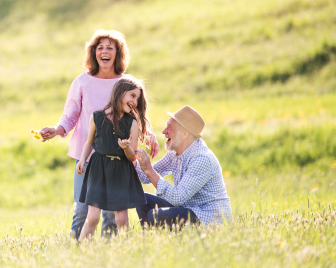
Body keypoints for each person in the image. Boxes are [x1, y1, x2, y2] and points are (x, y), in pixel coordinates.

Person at [39, 29, 159, 239]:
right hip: (87, 157)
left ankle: (107, 254)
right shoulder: (82, 82)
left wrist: (149, 133)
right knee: (83, 210)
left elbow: (138, 113)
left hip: (117, 158)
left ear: (118, 53)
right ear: (94, 53)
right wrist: (57, 130)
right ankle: (77, 252)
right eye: (99, 47)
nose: (104, 51)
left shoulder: (126, 84)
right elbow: (70, 114)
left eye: (109, 48)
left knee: (112, 214)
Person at [134, 106, 232, 228]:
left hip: (209, 218)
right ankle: (150, 241)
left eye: (170, 127)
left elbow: (177, 198)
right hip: (188, 209)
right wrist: (132, 156)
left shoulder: (202, 158)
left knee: (156, 215)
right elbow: (145, 177)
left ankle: (161, 242)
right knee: (140, 199)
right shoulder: (174, 153)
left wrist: (148, 169)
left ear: (185, 133)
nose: (164, 131)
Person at [76, 76, 149, 240]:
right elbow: (89, 142)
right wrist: (82, 160)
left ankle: (126, 250)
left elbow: (132, 157)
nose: (135, 101)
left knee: (122, 219)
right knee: (93, 217)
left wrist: (127, 148)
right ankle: (79, 249)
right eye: (132, 96)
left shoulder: (132, 123)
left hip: (121, 170)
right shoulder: (97, 117)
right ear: (120, 93)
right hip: (98, 169)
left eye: (138, 99)